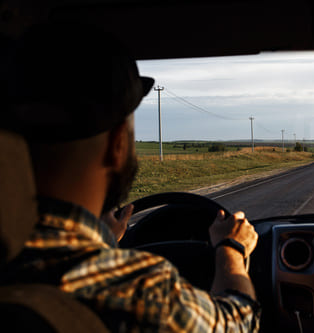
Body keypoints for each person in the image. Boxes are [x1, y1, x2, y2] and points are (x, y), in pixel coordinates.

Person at [2, 22, 260, 332]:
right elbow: (238, 321)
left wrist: (104, 239)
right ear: (117, 144)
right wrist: (231, 250)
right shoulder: (140, 292)